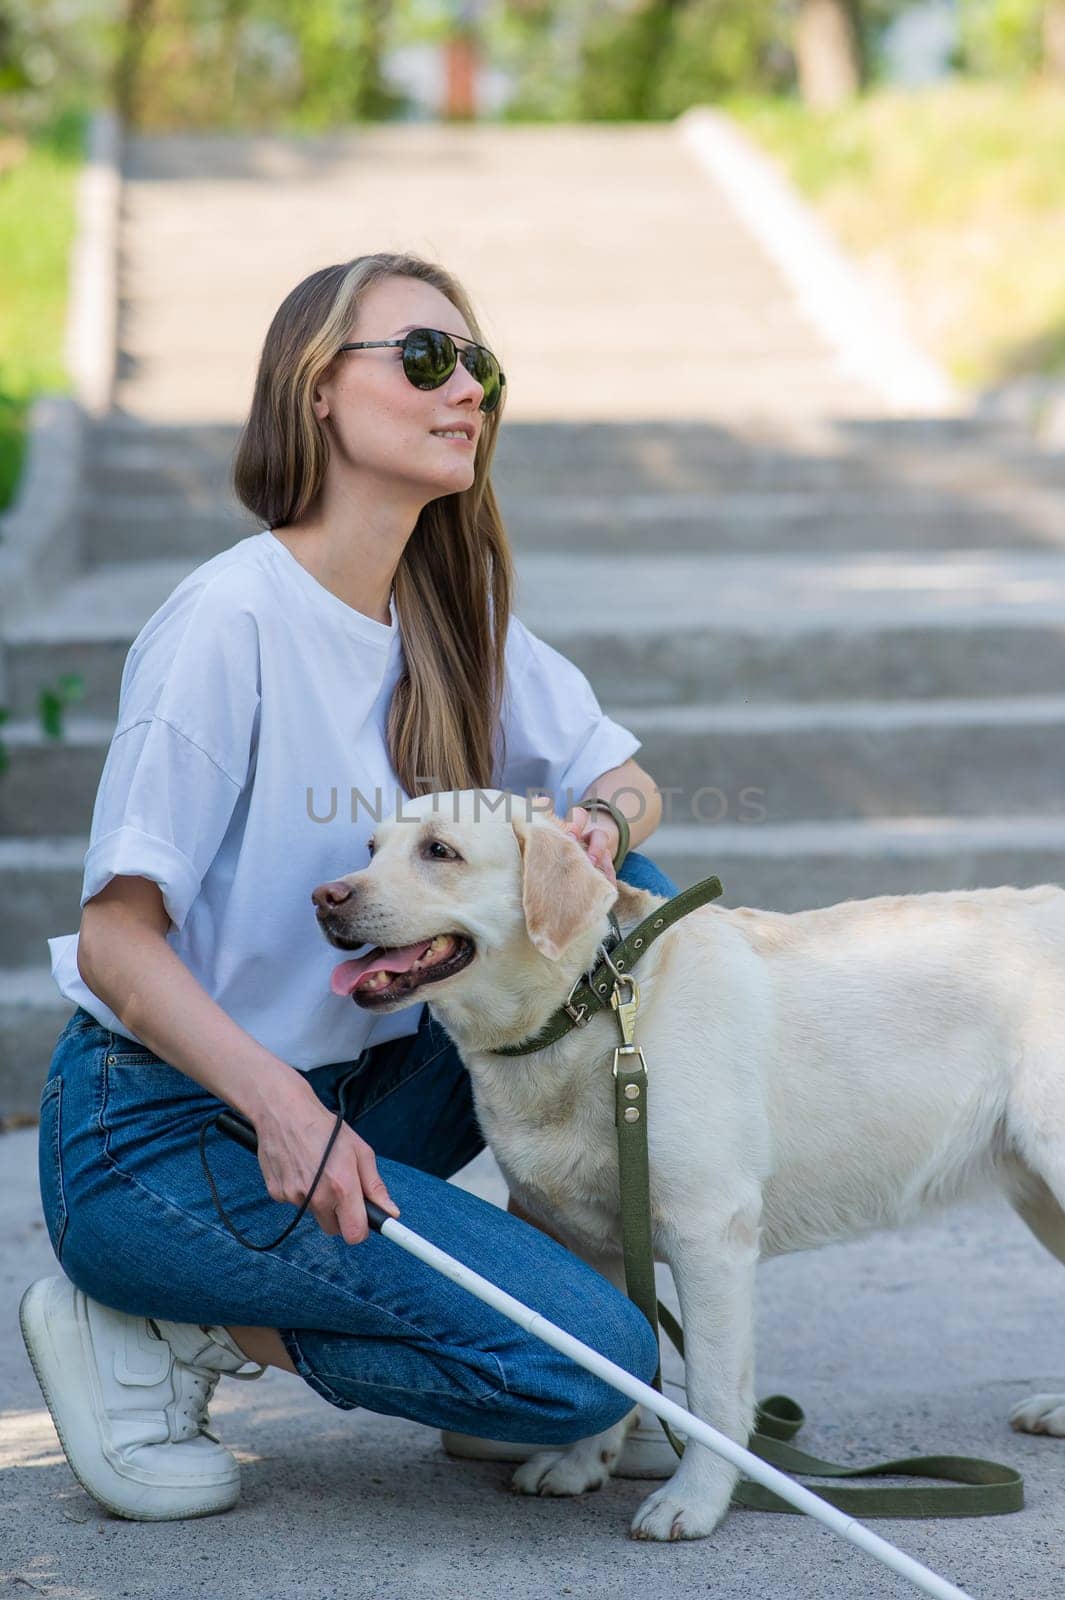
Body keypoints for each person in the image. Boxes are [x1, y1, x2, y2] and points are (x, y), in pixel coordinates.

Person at [20, 252, 682, 1523]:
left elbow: (631, 787)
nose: (466, 391)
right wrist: (278, 1106)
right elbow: (115, 939)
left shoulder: (449, 615)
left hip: (369, 1094)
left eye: (479, 366)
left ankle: (511, 1324)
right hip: (167, 1129)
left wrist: (590, 826)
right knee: (589, 1373)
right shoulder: (230, 620)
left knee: (618, 894)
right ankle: (163, 1326)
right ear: (318, 389)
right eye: (427, 359)